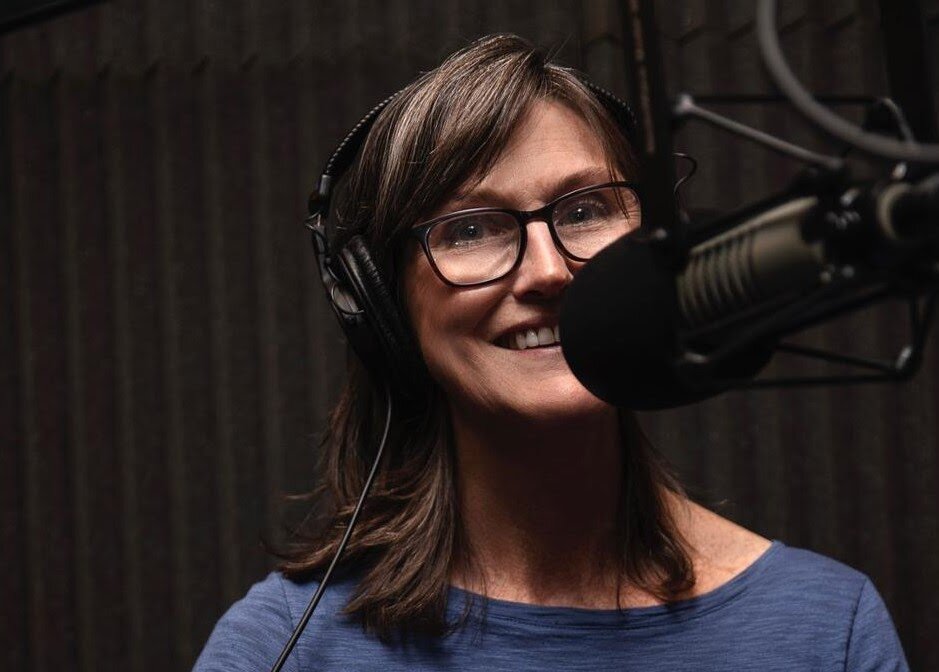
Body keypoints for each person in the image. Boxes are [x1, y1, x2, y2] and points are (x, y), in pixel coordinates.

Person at [193, 34, 909, 671]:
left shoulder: (827, 627)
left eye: (586, 210)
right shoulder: (281, 646)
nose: (547, 272)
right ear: (380, 303)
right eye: (470, 228)